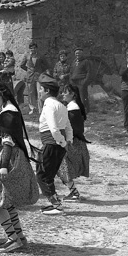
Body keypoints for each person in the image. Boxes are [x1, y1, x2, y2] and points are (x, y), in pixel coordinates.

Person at [0, 80, 39, 253]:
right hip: (16, 158)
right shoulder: (11, 111)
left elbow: (7, 142)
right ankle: (19, 237)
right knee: (6, 201)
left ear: (1, 94)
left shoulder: (7, 114)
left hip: (9, 160)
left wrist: (3, 166)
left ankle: (12, 238)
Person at [36, 74, 73, 216]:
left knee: (42, 175)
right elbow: (68, 128)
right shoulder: (61, 106)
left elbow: (54, 129)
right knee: (48, 174)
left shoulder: (49, 106)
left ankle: (56, 204)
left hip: (52, 144)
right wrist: (67, 141)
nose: (39, 92)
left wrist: (63, 142)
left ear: (46, 91)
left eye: (41, 89)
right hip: (57, 144)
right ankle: (55, 202)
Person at [57, 84, 90, 201]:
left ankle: (73, 193)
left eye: (65, 92)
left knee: (61, 166)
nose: (62, 94)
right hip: (74, 142)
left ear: (73, 94)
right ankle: (73, 192)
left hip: (72, 143)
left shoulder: (73, 108)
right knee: (62, 167)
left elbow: (73, 129)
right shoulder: (73, 107)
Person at [18, 42, 50, 115]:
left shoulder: (40, 56)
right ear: (30, 49)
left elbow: (46, 65)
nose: (33, 49)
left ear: (36, 48)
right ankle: (32, 108)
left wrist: (43, 72)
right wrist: (28, 70)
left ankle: (40, 109)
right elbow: (22, 65)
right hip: (30, 76)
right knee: (31, 92)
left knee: (40, 92)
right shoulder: (27, 55)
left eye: (34, 48)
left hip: (38, 75)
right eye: (31, 48)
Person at [70, 47, 92, 113]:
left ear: (82, 54)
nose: (77, 55)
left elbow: (89, 72)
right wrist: (71, 79)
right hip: (74, 82)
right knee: (75, 96)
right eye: (76, 53)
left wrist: (85, 81)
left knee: (83, 96)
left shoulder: (86, 62)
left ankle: (85, 110)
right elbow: (71, 72)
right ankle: (77, 109)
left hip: (81, 81)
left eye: (79, 53)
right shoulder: (74, 62)